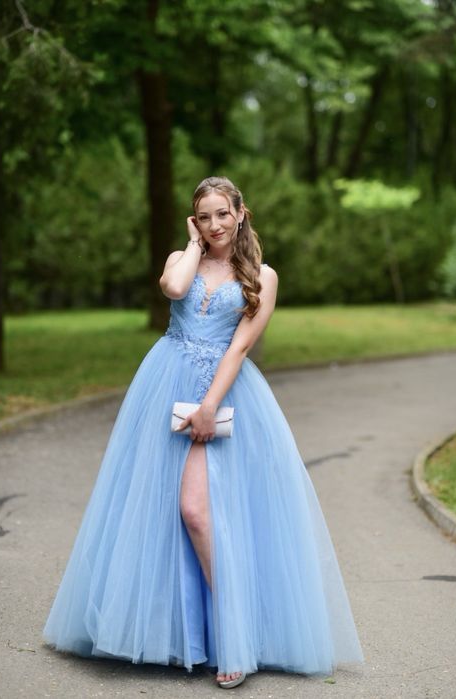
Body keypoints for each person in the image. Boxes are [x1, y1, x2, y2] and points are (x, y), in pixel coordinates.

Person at [42, 176, 364, 690]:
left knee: (196, 511)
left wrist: (210, 405)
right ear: (195, 220)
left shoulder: (263, 276)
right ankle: (173, 634)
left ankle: (239, 633)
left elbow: (240, 347)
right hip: (163, 386)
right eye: (205, 216)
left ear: (241, 213)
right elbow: (173, 290)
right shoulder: (181, 258)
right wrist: (192, 245)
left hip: (223, 393)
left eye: (223, 213)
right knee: (153, 508)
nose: (215, 224)